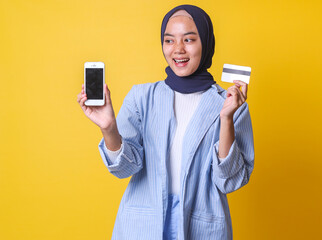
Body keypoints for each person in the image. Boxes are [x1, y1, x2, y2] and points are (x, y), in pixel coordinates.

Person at [77, 4, 254, 240]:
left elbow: (229, 181)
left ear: (206, 43)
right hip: (142, 225)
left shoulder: (230, 104)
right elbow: (125, 169)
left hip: (202, 228)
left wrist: (226, 118)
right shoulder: (141, 97)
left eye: (189, 40)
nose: (178, 50)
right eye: (169, 40)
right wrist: (109, 128)